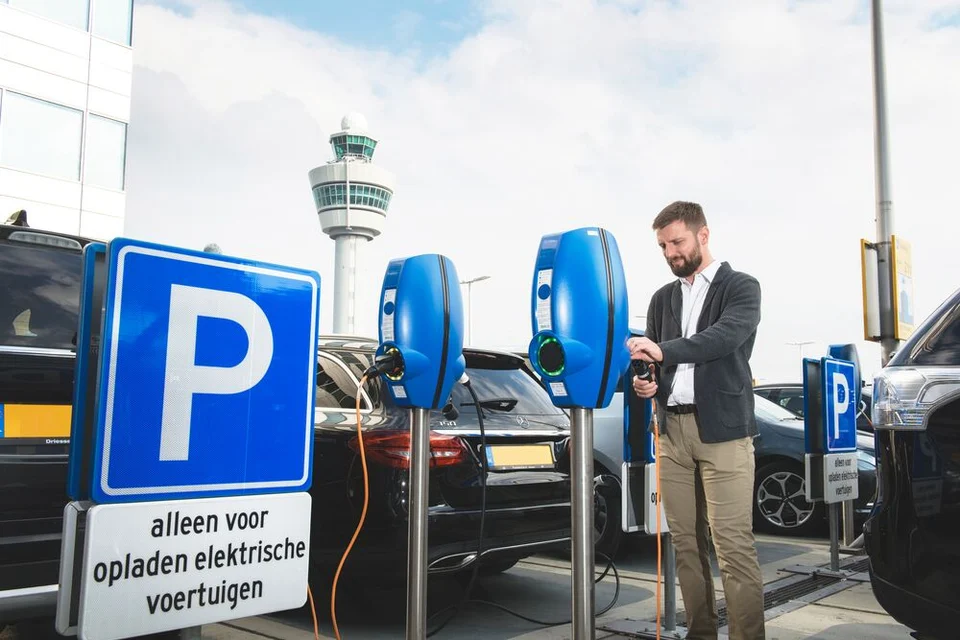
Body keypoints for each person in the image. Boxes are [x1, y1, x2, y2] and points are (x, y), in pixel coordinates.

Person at [628, 201, 765, 640]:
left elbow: (721, 339)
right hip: (673, 433)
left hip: (724, 433)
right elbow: (652, 364)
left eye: (677, 242)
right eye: (663, 245)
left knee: (733, 548)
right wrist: (646, 380)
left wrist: (663, 351)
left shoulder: (741, 287)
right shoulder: (662, 298)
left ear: (703, 235)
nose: (670, 252)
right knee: (685, 544)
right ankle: (700, 633)